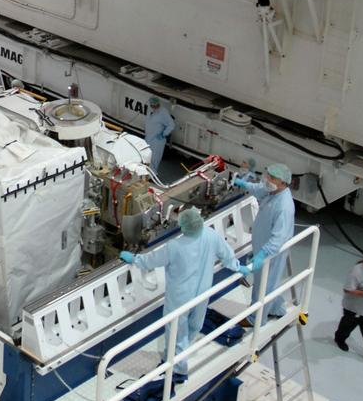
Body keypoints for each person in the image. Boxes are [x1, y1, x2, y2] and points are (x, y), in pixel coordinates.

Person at [120, 206, 239, 378]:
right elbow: (227, 254)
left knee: (177, 332)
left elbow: (150, 261)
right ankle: (175, 358)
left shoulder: (174, 246)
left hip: (180, 298)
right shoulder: (210, 235)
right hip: (202, 293)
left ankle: (177, 369)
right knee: (193, 327)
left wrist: (133, 259)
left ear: (183, 226)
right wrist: (237, 267)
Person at [233, 162, 295, 322]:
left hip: (270, 252)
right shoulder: (271, 190)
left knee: (265, 285)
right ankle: (276, 308)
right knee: (266, 282)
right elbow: (257, 189)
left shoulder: (284, 206)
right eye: (268, 175)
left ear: (283, 182)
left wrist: (262, 254)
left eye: (272, 178)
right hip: (262, 244)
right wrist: (242, 183)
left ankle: (256, 318)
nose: (267, 179)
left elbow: (279, 237)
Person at [144, 96, 175, 173]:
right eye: (153, 106)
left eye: (156, 105)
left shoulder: (163, 113)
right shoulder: (150, 111)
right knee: (146, 157)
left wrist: (163, 134)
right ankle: (146, 174)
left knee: (154, 158)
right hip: (148, 138)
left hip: (157, 140)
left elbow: (171, 125)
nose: (154, 107)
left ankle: (153, 175)